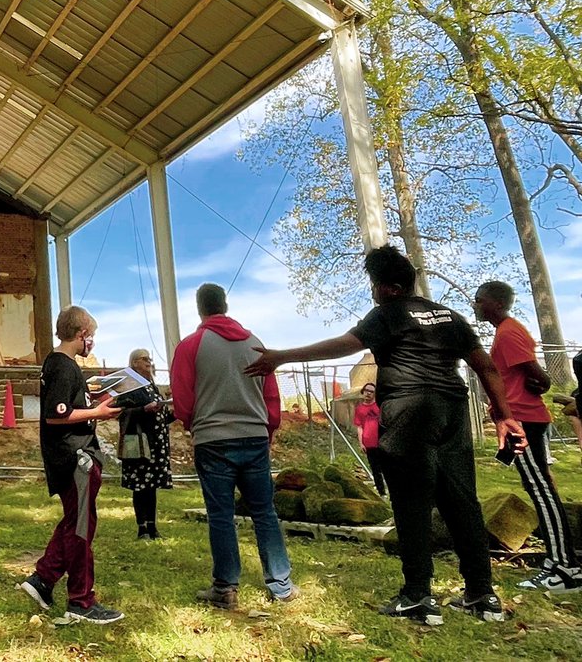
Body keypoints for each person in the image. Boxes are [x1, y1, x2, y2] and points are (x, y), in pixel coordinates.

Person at [247, 246, 526, 626]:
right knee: (463, 502)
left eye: (375, 286)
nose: (373, 292)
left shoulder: (387, 314)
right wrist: (505, 416)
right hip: (453, 412)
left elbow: (342, 345)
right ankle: (482, 595)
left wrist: (282, 356)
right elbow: (486, 367)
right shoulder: (451, 316)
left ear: (390, 288)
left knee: (411, 504)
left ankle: (417, 597)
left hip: (409, 412)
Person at [170, 284, 296, 610]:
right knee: (264, 512)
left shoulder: (191, 346)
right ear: (225, 305)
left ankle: (225, 587)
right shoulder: (256, 344)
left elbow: (183, 400)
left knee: (221, 515)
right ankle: (281, 585)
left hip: (213, 440)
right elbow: (271, 396)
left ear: (199, 309)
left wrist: (192, 425)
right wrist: (267, 430)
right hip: (254, 437)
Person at [18, 305, 124, 625]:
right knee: (80, 530)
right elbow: (56, 415)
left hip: (74, 457)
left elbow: (69, 404)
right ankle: (81, 600)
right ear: (81, 335)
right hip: (74, 458)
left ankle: (43, 580)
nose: (91, 342)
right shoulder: (63, 366)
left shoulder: (60, 366)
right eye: (90, 336)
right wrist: (99, 414)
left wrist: (96, 401)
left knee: (75, 522)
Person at [473, 281, 580, 591]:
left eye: (479, 301)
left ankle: (564, 567)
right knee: (538, 486)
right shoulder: (504, 332)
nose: (476, 305)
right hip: (519, 419)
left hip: (523, 421)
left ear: (495, 303)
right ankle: (562, 563)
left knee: (540, 488)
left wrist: (541, 385)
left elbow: (540, 375)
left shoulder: (508, 333)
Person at [117, 348, 172, 540]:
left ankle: (153, 527)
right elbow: (122, 412)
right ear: (134, 363)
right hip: (139, 443)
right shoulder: (129, 384)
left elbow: (161, 416)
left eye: (150, 358)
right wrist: (144, 409)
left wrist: (174, 412)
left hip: (157, 443)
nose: (149, 361)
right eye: (144, 358)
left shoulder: (153, 386)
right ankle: (142, 528)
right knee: (140, 485)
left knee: (152, 485)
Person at [353, 383, 386, 497]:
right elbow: (359, 427)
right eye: (366, 390)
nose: (368, 393)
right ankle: (382, 493)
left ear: (374, 394)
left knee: (387, 468)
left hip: (382, 442)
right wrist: (361, 442)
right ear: (363, 391)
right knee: (375, 469)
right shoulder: (359, 409)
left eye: (371, 391)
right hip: (369, 443)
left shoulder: (379, 406)